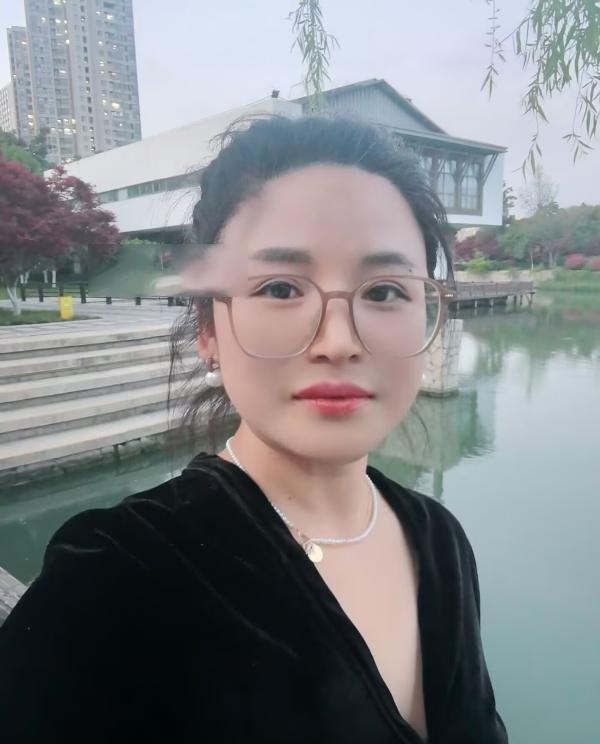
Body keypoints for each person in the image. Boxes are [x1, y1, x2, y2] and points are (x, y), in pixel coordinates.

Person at [0, 115, 508, 744]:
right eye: (280, 286)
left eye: (384, 291)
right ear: (208, 328)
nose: (339, 341)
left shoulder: (440, 542)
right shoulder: (114, 580)